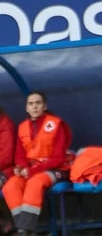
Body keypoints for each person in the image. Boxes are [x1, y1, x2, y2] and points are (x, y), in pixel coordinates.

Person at [4, 92, 70, 236]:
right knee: (10, 186)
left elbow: (59, 158)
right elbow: (19, 154)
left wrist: (33, 170)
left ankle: (24, 230)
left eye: (38, 103)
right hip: (31, 169)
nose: (34, 107)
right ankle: (24, 230)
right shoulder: (22, 127)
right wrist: (21, 167)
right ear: (26, 108)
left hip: (55, 169)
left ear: (44, 106)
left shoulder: (56, 124)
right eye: (31, 104)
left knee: (35, 183)